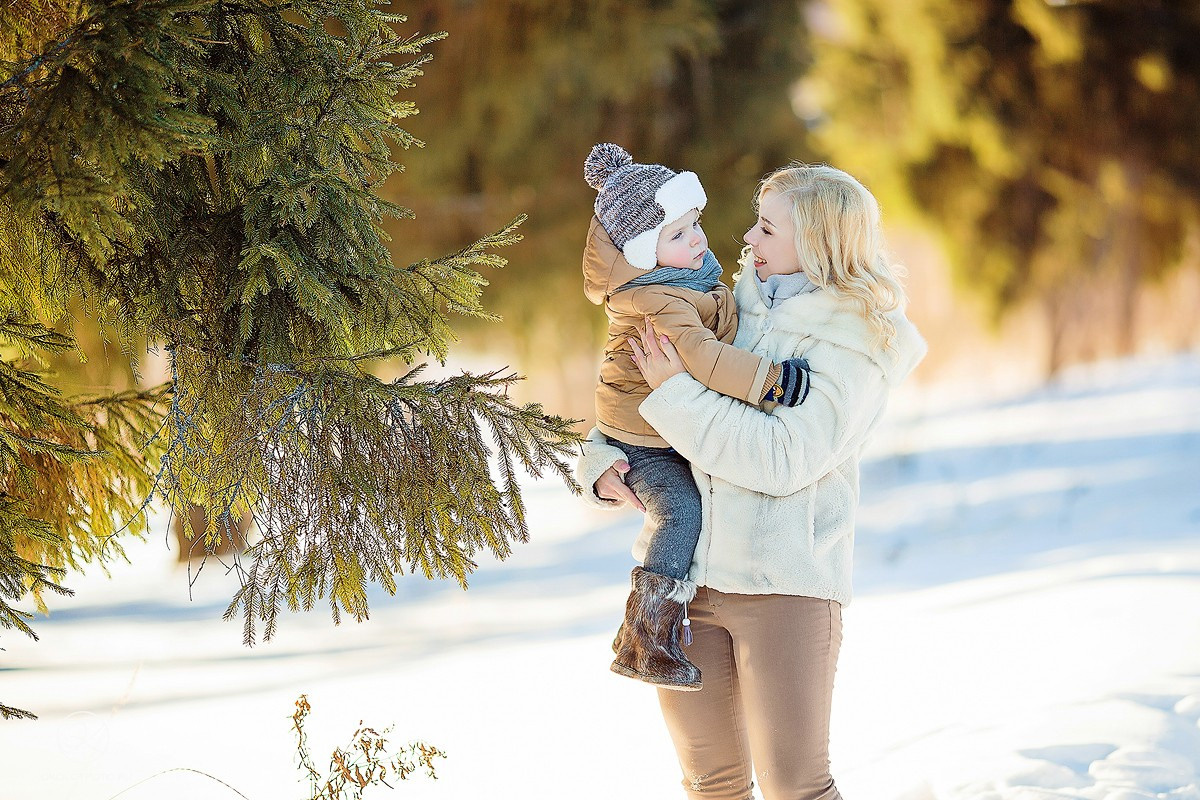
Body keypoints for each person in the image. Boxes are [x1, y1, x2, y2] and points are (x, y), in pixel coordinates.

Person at [575, 163, 927, 800]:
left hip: (782, 590)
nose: (748, 240)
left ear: (816, 243)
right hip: (688, 585)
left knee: (796, 787)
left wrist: (675, 393)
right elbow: (631, 395)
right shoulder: (728, 305)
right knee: (712, 786)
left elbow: (781, 460)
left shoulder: (855, 343)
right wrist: (599, 466)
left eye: (767, 228)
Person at [581, 143, 812, 691]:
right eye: (679, 234)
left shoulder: (687, 279)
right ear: (643, 253)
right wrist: (771, 381)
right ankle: (646, 636)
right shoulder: (658, 298)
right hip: (643, 440)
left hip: (659, 434)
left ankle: (642, 634)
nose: (699, 239)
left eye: (695, 224)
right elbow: (706, 360)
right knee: (680, 509)